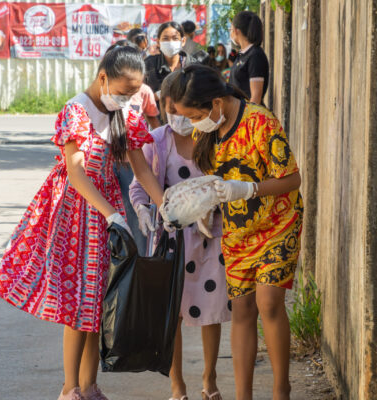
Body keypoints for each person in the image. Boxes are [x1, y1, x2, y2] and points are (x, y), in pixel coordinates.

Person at [0, 46, 164, 400]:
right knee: (76, 304)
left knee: (98, 302)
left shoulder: (124, 113)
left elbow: (141, 167)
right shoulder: (77, 110)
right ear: (103, 77)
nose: (129, 98)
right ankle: (69, 389)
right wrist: (112, 215)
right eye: (124, 90)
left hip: (107, 214)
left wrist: (165, 205)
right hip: (77, 212)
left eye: (135, 92)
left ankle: (89, 387)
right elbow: (76, 172)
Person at [169, 64, 303, 400]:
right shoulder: (206, 131)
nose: (191, 125)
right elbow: (213, 178)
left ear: (215, 102)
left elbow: (292, 179)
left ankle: (280, 390)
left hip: (278, 221)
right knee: (242, 309)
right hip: (238, 230)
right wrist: (203, 205)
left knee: (269, 302)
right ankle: (243, 395)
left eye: (193, 115)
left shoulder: (260, 121)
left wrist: (249, 190)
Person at [130, 71, 230, 400]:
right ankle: (177, 385)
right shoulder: (157, 141)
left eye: (183, 110)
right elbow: (139, 185)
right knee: (171, 313)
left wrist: (214, 207)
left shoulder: (211, 134)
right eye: (171, 110)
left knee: (211, 308)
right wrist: (144, 210)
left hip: (209, 237)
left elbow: (225, 182)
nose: (179, 118)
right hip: (172, 240)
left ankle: (209, 378)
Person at [105, 41, 161, 254]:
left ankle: (137, 261)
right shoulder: (85, 107)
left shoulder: (142, 94)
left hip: (131, 167)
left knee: (135, 212)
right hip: (104, 171)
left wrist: (168, 209)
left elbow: (154, 125)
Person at [144, 21, 195, 97]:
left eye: (175, 38)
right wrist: (157, 96)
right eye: (165, 38)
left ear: (183, 41)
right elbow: (140, 95)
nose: (170, 42)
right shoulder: (148, 64)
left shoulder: (193, 65)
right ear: (158, 42)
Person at [229, 11, 269, 105]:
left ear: (236, 31)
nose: (230, 33)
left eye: (230, 29)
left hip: (248, 115)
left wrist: (248, 118)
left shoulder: (255, 55)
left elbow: (256, 96)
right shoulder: (242, 54)